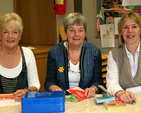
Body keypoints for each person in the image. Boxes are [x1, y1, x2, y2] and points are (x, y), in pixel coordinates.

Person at [44, 12, 103, 98]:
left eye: (80, 30)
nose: (76, 34)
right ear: (65, 32)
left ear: (85, 32)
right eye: (72, 30)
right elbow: (49, 81)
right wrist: (54, 87)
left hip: (86, 99)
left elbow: (97, 80)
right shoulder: (54, 52)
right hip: (63, 99)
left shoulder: (94, 52)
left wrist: (93, 88)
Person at [0, 12, 40, 100]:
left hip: (22, 106)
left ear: (20, 35)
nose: (10, 36)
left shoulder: (27, 53)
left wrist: (26, 91)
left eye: (15, 32)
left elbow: (35, 85)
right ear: (0, 35)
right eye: (5, 32)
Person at [106, 11, 141, 104]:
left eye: (134, 26)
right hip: (124, 103)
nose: (130, 31)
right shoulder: (114, 54)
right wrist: (120, 93)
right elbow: (111, 83)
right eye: (125, 27)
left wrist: (130, 90)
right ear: (121, 32)